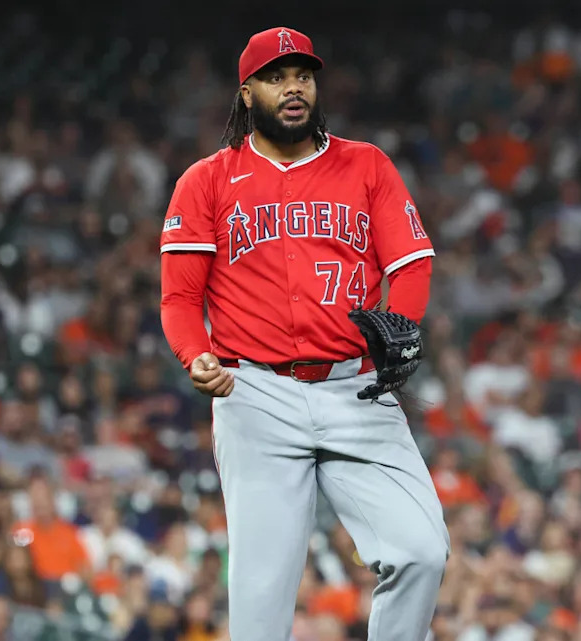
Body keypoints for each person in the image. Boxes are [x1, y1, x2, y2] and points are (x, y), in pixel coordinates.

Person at [159, 26, 449, 641]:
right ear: (246, 93)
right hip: (255, 394)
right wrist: (194, 356)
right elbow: (181, 297)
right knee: (261, 605)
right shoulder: (206, 181)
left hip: (356, 389)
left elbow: (412, 262)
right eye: (276, 77)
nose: (294, 87)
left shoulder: (365, 164)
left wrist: (403, 323)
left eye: (304, 75)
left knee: (421, 552)